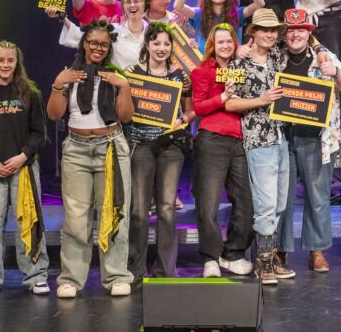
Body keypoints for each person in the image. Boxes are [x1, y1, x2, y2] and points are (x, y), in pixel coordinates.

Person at [46, 20, 135, 298]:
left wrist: (124, 87)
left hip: (111, 147)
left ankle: (117, 275)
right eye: (94, 42)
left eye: (104, 45)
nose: (98, 48)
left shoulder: (114, 75)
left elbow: (125, 117)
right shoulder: (70, 74)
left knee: (115, 212)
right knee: (75, 218)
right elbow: (54, 114)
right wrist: (58, 84)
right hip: (77, 149)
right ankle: (71, 279)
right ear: (84, 43)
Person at [275, 8, 341, 273]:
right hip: (283, 137)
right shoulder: (275, 57)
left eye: (301, 30)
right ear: (285, 34)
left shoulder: (325, 56)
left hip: (317, 139)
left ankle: (317, 250)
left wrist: (335, 72)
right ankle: (280, 250)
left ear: (308, 33)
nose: (295, 35)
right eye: (291, 30)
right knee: (282, 198)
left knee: (318, 196)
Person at [0, 41, 49, 295]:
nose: (5, 65)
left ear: (17, 62)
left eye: (10, 61)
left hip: (23, 168)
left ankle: (36, 275)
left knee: (29, 222)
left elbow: (38, 133)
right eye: (1, 60)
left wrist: (22, 157)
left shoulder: (30, 92)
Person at [224, 9, 296, 285]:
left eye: (273, 30)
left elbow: (305, 40)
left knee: (279, 203)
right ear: (252, 32)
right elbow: (230, 103)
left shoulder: (277, 56)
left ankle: (271, 256)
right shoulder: (238, 64)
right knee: (265, 204)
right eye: (264, 29)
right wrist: (261, 100)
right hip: (258, 139)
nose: (270, 34)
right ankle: (263, 261)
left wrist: (323, 54)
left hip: (281, 137)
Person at [126, 22, 192, 280]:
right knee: (139, 211)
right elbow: (123, 109)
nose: (162, 48)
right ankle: (135, 269)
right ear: (147, 44)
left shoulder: (180, 77)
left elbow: (190, 111)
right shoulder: (132, 73)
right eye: (156, 43)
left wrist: (182, 120)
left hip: (170, 147)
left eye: (166, 43)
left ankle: (165, 271)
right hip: (141, 144)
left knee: (166, 208)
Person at [192, 24, 255, 278]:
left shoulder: (243, 68)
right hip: (212, 140)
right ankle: (210, 258)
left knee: (246, 202)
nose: (226, 46)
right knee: (208, 203)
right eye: (220, 42)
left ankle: (232, 254)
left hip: (240, 141)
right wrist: (222, 98)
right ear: (212, 46)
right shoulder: (202, 70)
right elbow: (198, 107)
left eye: (229, 41)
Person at [56, 0, 149, 72]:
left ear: (143, 4)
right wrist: (63, 17)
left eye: (136, 1)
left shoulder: (153, 32)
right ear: (123, 7)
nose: (132, 5)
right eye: (128, 2)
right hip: (119, 83)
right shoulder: (114, 30)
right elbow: (82, 36)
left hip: (150, 84)